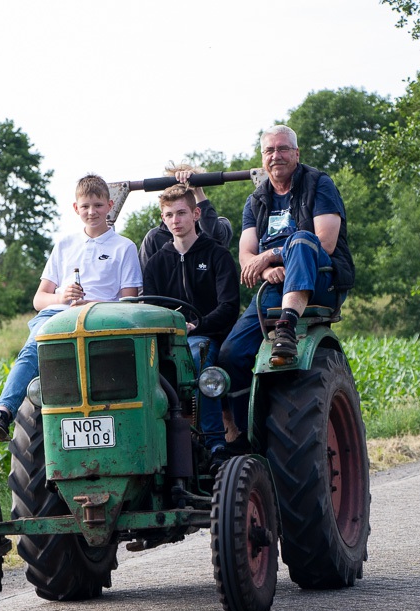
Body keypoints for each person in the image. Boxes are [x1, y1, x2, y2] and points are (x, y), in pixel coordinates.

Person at [0, 174, 143, 441]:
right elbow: (39, 300)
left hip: (102, 318)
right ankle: (3, 413)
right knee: (32, 349)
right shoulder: (64, 245)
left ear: (110, 205)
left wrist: (92, 303)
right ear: (75, 208)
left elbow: (129, 301)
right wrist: (62, 296)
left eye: (98, 205)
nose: (92, 212)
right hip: (57, 316)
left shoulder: (124, 247)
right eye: (85, 206)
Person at [218, 125, 354, 437]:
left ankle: (287, 327)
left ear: (296, 153)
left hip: (321, 280)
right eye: (270, 150)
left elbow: (325, 243)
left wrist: (270, 255)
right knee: (230, 355)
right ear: (262, 158)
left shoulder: (319, 184)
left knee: (302, 240)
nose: (276, 155)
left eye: (283, 149)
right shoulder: (256, 200)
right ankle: (244, 434)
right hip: (274, 287)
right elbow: (246, 255)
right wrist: (266, 270)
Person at [142, 184, 240, 464]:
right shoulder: (156, 263)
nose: (176, 220)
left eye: (181, 213)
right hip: (165, 340)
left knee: (198, 358)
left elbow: (229, 307)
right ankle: (150, 446)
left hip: (206, 335)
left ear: (196, 214)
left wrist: (196, 326)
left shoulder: (217, 255)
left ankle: (214, 443)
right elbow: (149, 308)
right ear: (163, 219)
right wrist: (172, 327)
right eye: (169, 215)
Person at [138, 162, 233, 270]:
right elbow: (145, 275)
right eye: (174, 191)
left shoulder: (219, 224)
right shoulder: (154, 237)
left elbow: (215, 237)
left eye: (186, 191)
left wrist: (197, 189)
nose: (179, 195)